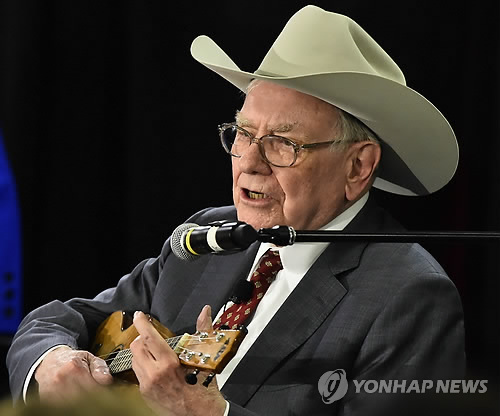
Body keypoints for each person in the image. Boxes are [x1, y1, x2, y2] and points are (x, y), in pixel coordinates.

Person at [7, 5, 465, 416]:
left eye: (282, 143)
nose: (249, 163)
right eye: (243, 134)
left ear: (358, 165)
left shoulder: (410, 296)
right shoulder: (209, 235)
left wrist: (208, 414)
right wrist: (50, 361)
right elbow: (57, 320)